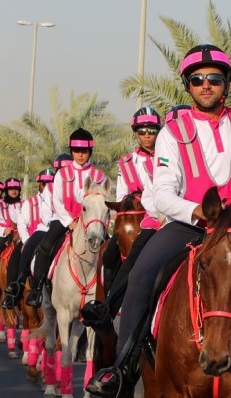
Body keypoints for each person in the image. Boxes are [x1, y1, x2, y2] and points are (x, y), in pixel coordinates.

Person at [87, 44, 231, 397]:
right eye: (197, 79)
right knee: (141, 274)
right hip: (192, 224)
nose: (206, 85)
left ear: (226, 84)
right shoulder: (172, 131)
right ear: (187, 85)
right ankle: (123, 366)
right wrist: (194, 211)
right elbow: (162, 194)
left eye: (214, 79)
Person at [81, 107, 163, 332]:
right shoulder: (126, 162)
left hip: (165, 219)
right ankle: (108, 303)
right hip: (136, 219)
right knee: (109, 255)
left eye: (152, 131)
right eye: (142, 131)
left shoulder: (168, 155)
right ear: (135, 133)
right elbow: (122, 196)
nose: (147, 135)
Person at [26, 129, 106, 308]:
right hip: (64, 220)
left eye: (84, 151)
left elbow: (102, 202)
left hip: (90, 223)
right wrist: (70, 222)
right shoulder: (62, 174)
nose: (80, 155)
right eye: (76, 151)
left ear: (89, 152)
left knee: (109, 251)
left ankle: (107, 293)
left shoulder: (99, 176)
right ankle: (37, 288)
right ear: (71, 151)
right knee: (45, 245)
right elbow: (57, 201)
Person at [0, 168, 55, 309]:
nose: (47, 186)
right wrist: (26, 240)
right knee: (17, 256)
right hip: (37, 233)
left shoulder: (58, 197)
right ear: (39, 184)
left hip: (56, 233)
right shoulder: (29, 202)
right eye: (44, 183)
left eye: (51, 182)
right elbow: (22, 224)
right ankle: (16, 287)